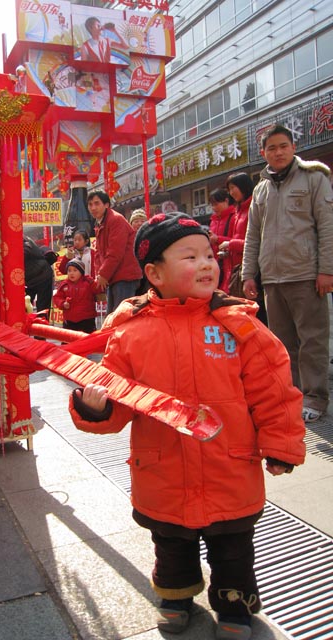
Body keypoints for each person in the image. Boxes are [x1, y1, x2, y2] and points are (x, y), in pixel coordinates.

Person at [68, 213, 305, 640]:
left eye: (210, 255)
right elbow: (119, 405)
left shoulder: (239, 326)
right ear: (154, 273)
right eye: (190, 256)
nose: (207, 264)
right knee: (171, 542)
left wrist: (281, 445)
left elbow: (273, 390)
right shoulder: (130, 334)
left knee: (233, 547)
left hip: (229, 466)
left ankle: (235, 605)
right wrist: (96, 407)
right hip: (163, 468)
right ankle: (175, 595)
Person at [242, 123, 333, 423]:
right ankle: (292, 394)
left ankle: (316, 397)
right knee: (281, 343)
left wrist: (327, 271)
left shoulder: (314, 178)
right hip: (272, 279)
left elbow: (327, 227)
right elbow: (252, 235)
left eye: (283, 146)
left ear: (294, 147)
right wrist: (248, 274)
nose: (278, 152)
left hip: (306, 275)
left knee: (313, 340)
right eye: (272, 148)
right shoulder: (261, 189)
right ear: (263, 152)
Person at [87, 189, 142, 314]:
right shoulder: (100, 223)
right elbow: (98, 253)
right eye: (90, 204)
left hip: (125, 276)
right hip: (114, 276)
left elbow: (115, 252)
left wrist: (103, 274)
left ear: (106, 205)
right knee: (113, 316)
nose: (93, 207)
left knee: (120, 317)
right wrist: (99, 276)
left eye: (97, 203)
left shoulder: (115, 220)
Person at [217, 173, 253, 294]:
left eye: (233, 188)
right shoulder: (238, 210)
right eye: (229, 189)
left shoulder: (254, 208)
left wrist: (230, 244)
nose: (231, 192)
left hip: (251, 268)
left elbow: (255, 242)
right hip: (237, 268)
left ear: (244, 186)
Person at [53, 258, 99, 334]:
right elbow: (57, 297)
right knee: (67, 341)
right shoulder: (64, 284)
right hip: (69, 319)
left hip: (87, 319)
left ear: (81, 272)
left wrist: (96, 281)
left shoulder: (88, 282)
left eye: (75, 270)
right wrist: (63, 303)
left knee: (87, 341)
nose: (71, 273)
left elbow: (98, 290)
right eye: (69, 270)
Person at [208, 188, 236, 283]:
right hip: (217, 266)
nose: (214, 208)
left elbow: (238, 240)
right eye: (212, 205)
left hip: (231, 266)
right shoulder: (213, 221)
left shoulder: (235, 217)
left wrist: (218, 239)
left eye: (216, 204)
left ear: (226, 201)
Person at [23, 236, 55, 315]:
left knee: (42, 308)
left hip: (43, 275)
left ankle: (42, 324)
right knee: (25, 307)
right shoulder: (25, 239)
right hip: (30, 281)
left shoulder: (22, 241)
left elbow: (26, 252)